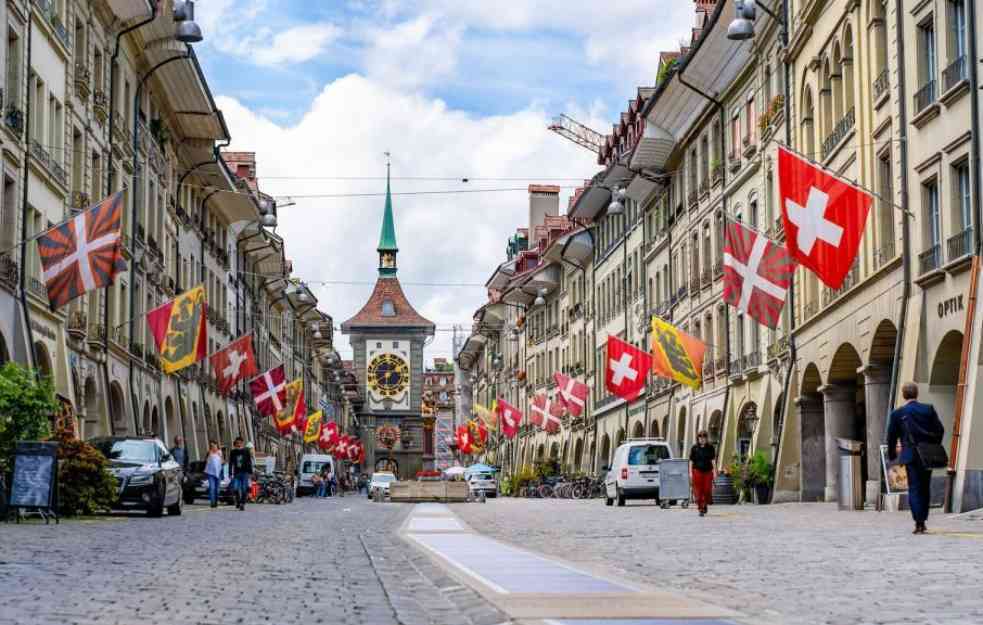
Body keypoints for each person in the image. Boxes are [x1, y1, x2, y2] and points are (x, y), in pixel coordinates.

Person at [887, 382, 945, 534]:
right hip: (928, 454)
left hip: (910, 455)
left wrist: (892, 455)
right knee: (925, 487)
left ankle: (918, 522)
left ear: (903, 395)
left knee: (915, 488)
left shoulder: (897, 413)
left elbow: (891, 436)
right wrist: (933, 445)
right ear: (917, 393)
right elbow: (940, 430)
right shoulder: (928, 409)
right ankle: (923, 520)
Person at [689, 430, 716, 517]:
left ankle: (705, 503)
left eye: (704, 437)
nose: (702, 438)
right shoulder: (694, 448)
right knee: (698, 491)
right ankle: (701, 507)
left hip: (708, 472)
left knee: (707, 489)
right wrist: (690, 472)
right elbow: (691, 461)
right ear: (698, 438)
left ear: (706, 438)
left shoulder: (710, 447)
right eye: (700, 437)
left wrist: (715, 471)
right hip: (697, 471)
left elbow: (713, 460)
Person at [229, 437, 254, 510]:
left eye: (240, 442)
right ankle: (238, 501)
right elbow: (231, 463)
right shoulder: (233, 452)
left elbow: (249, 462)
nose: (238, 444)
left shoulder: (246, 451)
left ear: (242, 443)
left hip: (245, 472)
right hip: (236, 473)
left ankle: (242, 503)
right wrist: (230, 473)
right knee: (235, 488)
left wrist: (250, 472)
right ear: (236, 443)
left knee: (244, 488)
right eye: (237, 443)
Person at [204, 441, 223, 508]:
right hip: (211, 473)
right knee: (212, 488)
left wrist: (220, 457)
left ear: (217, 446)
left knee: (217, 490)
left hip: (218, 473)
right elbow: (206, 461)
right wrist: (209, 455)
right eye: (212, 446)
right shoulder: (209, 453)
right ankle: (212, 503)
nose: (213, 447)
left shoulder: (220, 452)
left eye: (214, 446)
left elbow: (222, 462)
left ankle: (216, 500)